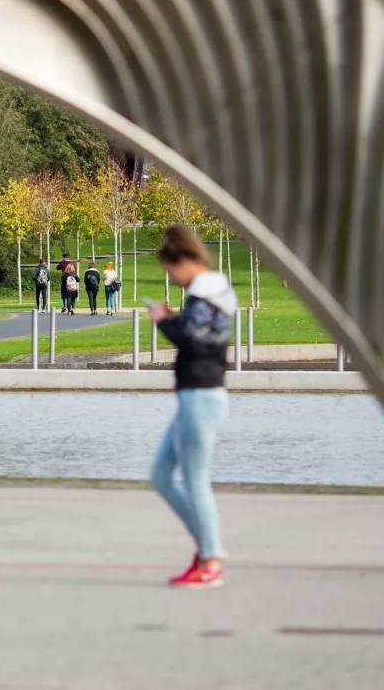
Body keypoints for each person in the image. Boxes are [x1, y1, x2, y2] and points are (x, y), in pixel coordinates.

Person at [147, 225, 236, 589]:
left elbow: (196, 343)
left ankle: (210, 558)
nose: (173, 278)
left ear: (184, 261)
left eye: (171, 271)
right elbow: (202, 336)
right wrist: (173, 318)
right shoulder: (211, 293)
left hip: (201, 395)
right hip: (196, 396)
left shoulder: (204, 294)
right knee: (161, 476)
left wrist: (164, 321)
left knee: (196, 481)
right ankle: (206, 542)